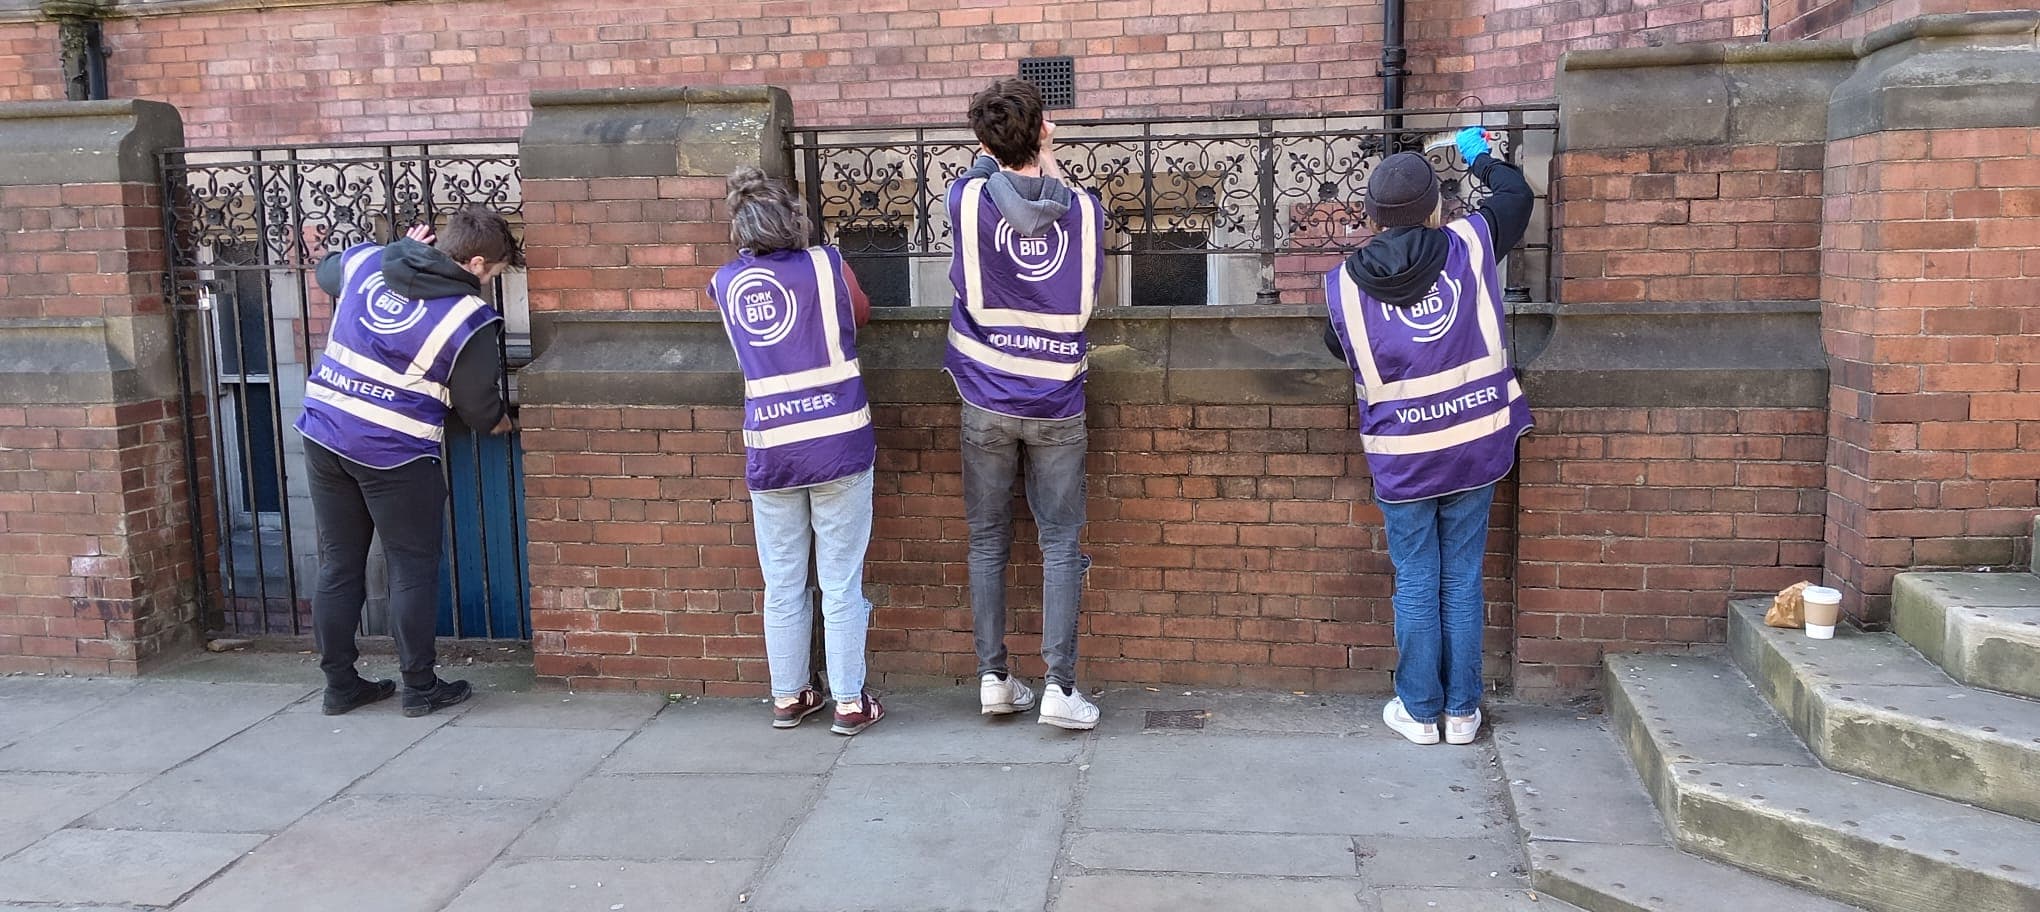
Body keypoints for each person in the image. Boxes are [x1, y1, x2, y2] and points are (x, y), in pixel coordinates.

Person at [1322, 128, 1535, 745]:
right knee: (1462, 575)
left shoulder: (1344, 287)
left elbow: (1338, 344)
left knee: (1416, 578)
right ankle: (1462, 712)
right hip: (1474, 443)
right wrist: (1479, 156)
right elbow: (1516, 197)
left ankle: (1419, 712)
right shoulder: (1468, 243)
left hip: (1404, 457)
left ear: (1372, 215)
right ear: (1435, 207)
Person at [296, 206, 520, 717]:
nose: (488, 285)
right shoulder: (468, 317)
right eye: (493, 275)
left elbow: (327, 268)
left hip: (324, 433)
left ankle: (340, 686)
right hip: (393, 453)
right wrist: (507, 424)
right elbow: (480, 408)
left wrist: (400, 247)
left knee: (339, 562)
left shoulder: (371, 262)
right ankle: (419, 688)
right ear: (477, 261)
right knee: (411, 568)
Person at [943, 79, 1105, 730]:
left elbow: (989, 171)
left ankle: (993, 679)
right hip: (1057, 398)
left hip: (985, 391)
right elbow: (1054, 198)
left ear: (982, 140)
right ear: (1042, 132)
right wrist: (1046, 152)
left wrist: (1004, 147)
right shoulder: (1086, 211)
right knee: (1061, 544)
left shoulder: (965, 198)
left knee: (988, 542)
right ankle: (1060, 689)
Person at [709, 167, 885, 736]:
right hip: (838, 443)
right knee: (840, 582)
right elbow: (860, 314)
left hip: (772, 451)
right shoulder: (826, 265)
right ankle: (850, 703)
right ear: (793, 220)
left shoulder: (724, 282)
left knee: (782, 583)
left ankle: (788, 696)